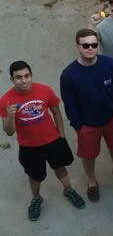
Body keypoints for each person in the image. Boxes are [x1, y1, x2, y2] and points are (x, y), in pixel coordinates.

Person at [0, 60, 85, 220]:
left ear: (31, 75)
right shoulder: (5, 101)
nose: (23, 80)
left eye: (27, 76)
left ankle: (69, 190)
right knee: (35, 176)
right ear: (12, 79)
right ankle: (36, 198)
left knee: (60, 167)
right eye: (18, 77)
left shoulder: (45, 90)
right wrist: (10, 116)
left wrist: (61, 135)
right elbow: (9, 132)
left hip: (53, 140)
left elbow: (56, 112)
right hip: (29, 146)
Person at [60, 29, 113, 202]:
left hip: (111, 119)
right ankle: (92, 182)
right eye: (85, 45)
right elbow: (69, 104)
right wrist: (78, 125)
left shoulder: (109, 64)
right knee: (88, 155)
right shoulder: (68, 75)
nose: (90, 48)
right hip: (87, 125)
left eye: (94, 45)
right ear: (77, 46)